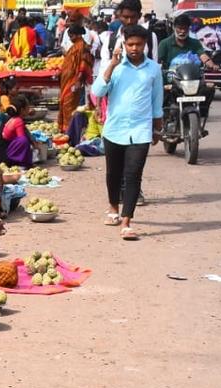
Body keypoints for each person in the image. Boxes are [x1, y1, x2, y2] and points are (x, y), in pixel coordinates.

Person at [90, 24, 162, 241]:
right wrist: (112, 64)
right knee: (113, 173)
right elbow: (97, 91)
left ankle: (126, 221)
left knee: (133, 174)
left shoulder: (153, 69)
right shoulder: (115, 67)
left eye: (138, 44)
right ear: (124, 44)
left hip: (140, 130)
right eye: (130, 44)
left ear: (145, 44)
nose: (134, 48)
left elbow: (157, 100)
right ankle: (113, 207)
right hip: (114, 129)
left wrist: (157, 128)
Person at [59, 25, 94, 132]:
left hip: (74, 81)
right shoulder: (75, 46)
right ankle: (65, 129)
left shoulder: (82, 47)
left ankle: (70, 130)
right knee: (64, 102)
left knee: (69, 105)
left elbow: (83, 65)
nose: (70, 39)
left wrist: (78, 80)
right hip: (67, 80)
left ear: (78, 35)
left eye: (72, 36)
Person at [1, 94, 35, 167]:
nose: (29, 109)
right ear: (22, 110)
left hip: (7, 147)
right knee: (24, 141)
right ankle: (22, 163)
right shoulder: (18, 121)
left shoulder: (13, 118)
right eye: (28, 107)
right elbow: (22, 139)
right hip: (9, 152)